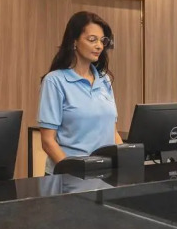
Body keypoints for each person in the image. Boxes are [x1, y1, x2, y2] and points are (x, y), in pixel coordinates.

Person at [38, 11, 122, 173]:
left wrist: (123, 165)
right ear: (74, 41)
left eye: (102, 40)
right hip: (68, 175)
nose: (99, 46)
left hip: (103, 173)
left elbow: (113, 133)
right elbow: (48, 142)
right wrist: (74, 172)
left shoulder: (104, 80)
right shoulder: (55, 81)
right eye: (92, 39)